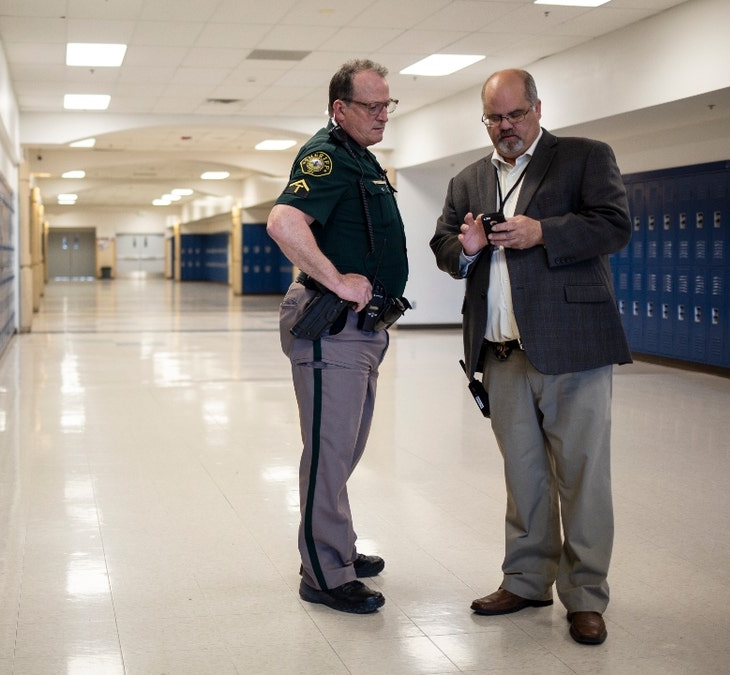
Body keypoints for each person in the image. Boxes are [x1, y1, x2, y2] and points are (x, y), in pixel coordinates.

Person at [429, 69, 632, 644]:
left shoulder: (584, 157)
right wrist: (463, 250)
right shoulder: (470, 177)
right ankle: (525, 580)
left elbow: (614, 225)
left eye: (515, 115)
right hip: (501, 354)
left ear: (538, 109)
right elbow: (444, 243)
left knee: (583, 476)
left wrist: (543, 231)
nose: (505, 127)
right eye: (494, 118)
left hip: (573, 347)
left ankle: (586, 594)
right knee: (524, 476)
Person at [267, 59, 409, 615]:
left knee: (343, 450)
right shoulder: (326, 154)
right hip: (335, 328)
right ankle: (324, 572)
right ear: (339, 109)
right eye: (371, 106)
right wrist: (338, 280)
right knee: (328, 453)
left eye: (387, 105)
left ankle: (338, 548)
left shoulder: (359, 158)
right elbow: (283, 222)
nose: (382, 115)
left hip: (363, 331)